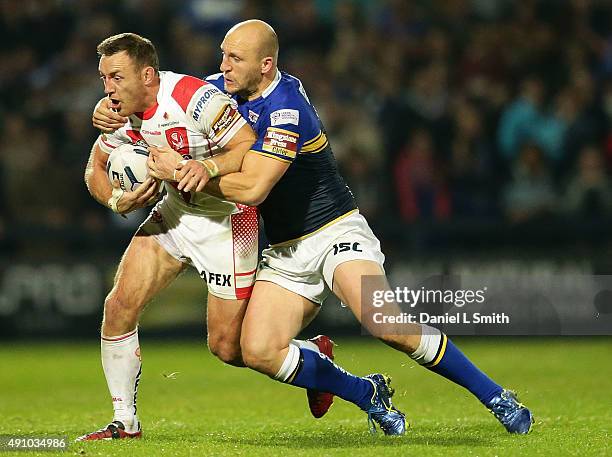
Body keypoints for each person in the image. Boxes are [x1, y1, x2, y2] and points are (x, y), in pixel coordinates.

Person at [94, 21, 533, 435]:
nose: (222, 66)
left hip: (334, 231)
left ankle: (497, 397)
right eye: (222, 56)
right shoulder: (221, 91)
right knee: (255, 352)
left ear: (265, 65)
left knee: (384, 322)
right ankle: (367, 391)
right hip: (286, 251)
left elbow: (254, 188)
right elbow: (168, 95)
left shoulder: (287, 108)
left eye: (234, 59)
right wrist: (111, 106)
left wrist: (187, 170)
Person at [78, 32, 338, 441]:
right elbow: (96, 166)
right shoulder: (118, 111)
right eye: (103, 78)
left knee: (229, 349)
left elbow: (245, 145)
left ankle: (314, 359)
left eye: (116, 77)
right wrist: (116, 200)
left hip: (230, 223)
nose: (107, 89)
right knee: (119, 304)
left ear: (147, 75)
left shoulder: (192, 98)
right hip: (176, 214)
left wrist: (206, 169)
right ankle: (124, 421)